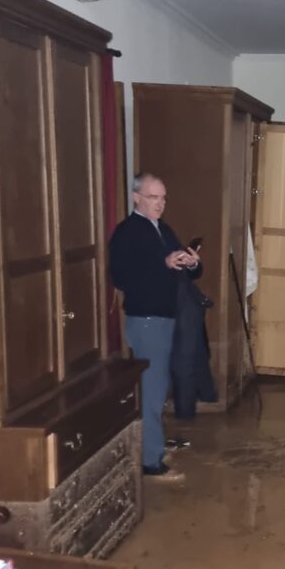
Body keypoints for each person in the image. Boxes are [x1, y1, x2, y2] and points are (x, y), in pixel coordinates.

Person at [109, 173, 200, 483]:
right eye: (153, 197)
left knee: (159, 386)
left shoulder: (161, 228)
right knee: (151, 390)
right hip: (146, 318)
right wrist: (163, 264)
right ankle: (150, 461)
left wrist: (191, 262)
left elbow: (180, 264)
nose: (159, 204)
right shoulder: (128, 232)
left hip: (163, 317)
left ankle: (155, 447)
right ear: (136, 198)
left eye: (163, 198)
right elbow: (121, 276)